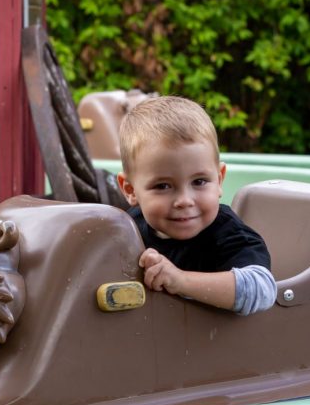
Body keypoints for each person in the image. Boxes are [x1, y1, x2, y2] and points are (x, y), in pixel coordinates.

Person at [115, 96, 277, 315]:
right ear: (130, 190)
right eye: (163, 186)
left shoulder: (227, 232)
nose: (184, 200)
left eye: (199, 182)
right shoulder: (128, 227)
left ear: (219, 180)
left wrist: (180, 280)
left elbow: (263, 289)